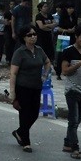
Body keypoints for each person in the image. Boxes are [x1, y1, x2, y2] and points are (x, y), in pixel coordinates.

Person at [9, 25, 52, 153]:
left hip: (36, 86)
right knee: (25, 113)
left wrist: (44, 75)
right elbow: (13, 73)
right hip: (23, 87)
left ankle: (19, 132)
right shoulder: (20, 52)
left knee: (34, 114)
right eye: (29, 35)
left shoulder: (39, 50)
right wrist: (12, 92)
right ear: (24, 38)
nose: (33, 37)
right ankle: (26, 142)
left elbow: (47, 62)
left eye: (34, 34)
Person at [61, 25, 81, 159]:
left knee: (77, 120)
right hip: (71, 90)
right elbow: (65, 71)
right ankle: (75, 147)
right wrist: (80, 63)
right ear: (76, 37)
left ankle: (67, 142)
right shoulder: (68, 51)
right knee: (73, 120)